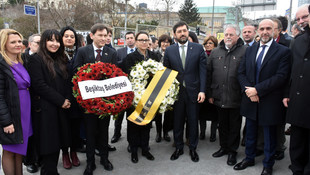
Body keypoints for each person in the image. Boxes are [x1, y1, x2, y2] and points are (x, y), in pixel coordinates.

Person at [234, 19, 290, 175]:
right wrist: (249, 91)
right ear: (258, 30)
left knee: (269, 135)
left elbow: (281, 76)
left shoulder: (283, 51)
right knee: (250, 132)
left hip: (269, 100)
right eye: (262, 28)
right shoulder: (250, 50)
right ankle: (249, 158)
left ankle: (268, 164)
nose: (265, 31)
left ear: (274, 31)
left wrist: (257, 90)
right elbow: (241, 73)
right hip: (250, 98)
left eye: (268, 29)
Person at [73, 23, 118, 175]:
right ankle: (90, 162)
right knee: (90, 132)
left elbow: (115, 75)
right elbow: (76, 72)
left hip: (105, 101)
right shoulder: (82, 51)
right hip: (88, 102)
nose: (104, 38)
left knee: (104, 131)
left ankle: (104, 159)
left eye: (106, 35)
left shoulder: (111, 52)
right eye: (100, 35)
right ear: (92, 36)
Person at [28, 29, 71, 174]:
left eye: (57, 40)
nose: (55, 44)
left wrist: (68, 99)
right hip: (46, 111)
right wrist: (61, 100)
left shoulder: (60, 59)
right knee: (48, 149)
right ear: (44, 42)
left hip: (60, 109)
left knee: (57, 145)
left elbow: (66, 82)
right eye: (51, 40)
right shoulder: (36, 59)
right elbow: (39, 85)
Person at [164, 21, 206, 163]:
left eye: (184, 30)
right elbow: (166, 72)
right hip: (177, 94)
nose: (182, 33)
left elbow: (203, 72)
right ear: (174, 34)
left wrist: (202, 91)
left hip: (194, 92)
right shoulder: (169, 51)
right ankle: (179, 148)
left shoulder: (198, 48)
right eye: (179, 31)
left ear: (188, 32)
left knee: (193, 121)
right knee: (177, 121)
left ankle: (193, 148)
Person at [207, 24, 247, 166]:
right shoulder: (216, 52)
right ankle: (223, 147)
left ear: (237, 36)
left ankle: (232, 151)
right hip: (218, 96)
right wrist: (210, 93)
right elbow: (209, 73)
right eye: (226, 34)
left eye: (231, 34)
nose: (228, 37)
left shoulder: (244, 51)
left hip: (236, 97)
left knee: (234, 126)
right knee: (222, 125)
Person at [121, 31, 160, 163]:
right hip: (134, 97)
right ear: (136, 42)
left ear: (149, 41)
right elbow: (127, 77)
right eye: (141, 40)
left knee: (146, 124)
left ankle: (145, 148)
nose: (144, 42)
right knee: (133, 124)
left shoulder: (155, 56)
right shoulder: (130, 58)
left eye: (146, 40)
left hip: (150, 96)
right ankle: (133, 149)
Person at [0, 29, 32, 175]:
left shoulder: (21, 61)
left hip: (24, 113)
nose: (18, 44)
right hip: (11, 114)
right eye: (13, 42)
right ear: (3, 44)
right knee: (9, 151)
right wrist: (6, 122)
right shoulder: (1, 64)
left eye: (19, 41)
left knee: (19, 150)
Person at [284, 5, 310, 174]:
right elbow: (290, 70)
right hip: (298, 98)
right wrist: (287, 93)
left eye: (305, 17)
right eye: (298, 19)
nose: (301, 21)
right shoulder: (298, 40)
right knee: (297, 139)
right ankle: (297, 168)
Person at [59, 26, 82, 169]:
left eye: (72, 36)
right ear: (61, 38)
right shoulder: (56, 54)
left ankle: (74, 151)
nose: (69, 38)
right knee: (63, 128)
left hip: (77, 98)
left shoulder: (80, 53)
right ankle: (65, 153)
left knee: (75, 128)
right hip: (61, 98)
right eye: (66, 36)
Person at [111, 31, 136, 144]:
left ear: (134, 39)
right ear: (125, 40)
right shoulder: (120, 52)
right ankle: (117, 133)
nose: (130, 40)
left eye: (131, 38)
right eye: (128, 38)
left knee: (131, 116)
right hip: (121, 88)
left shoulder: (138, 52)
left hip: (135, 88)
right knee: (119, 114)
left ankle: (131, 139)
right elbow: (116, 66)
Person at [22, 33, 41, 173]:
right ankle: (30, 160)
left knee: (40, 131)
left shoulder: (46, 58)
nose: (40, 46)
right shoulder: (22, 59)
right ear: (30, 44)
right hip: (25, 101)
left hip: (41, 101)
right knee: (29, 133)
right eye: (37, 43)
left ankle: (39, 157)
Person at [154, 34, 174, 143]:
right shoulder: (154, 54)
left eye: (167, 42)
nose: (165, 44)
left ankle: (166, 132)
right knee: (158, 112)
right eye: (163, 42)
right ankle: (158, 133)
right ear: (160, 43)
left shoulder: (173, 53)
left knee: (168, 112)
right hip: (157, 85)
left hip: (169, 86)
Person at [200, 36, 219, 142]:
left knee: (214, 115)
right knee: (202, 114)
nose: (208, 45)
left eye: (210, 43)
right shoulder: (202, 55)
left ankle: (213, 135)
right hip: (203, 89)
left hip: (214, 90)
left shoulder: (217, 56)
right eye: (206, 43)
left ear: (215, 45)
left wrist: (212, 93)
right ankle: (202, 133)